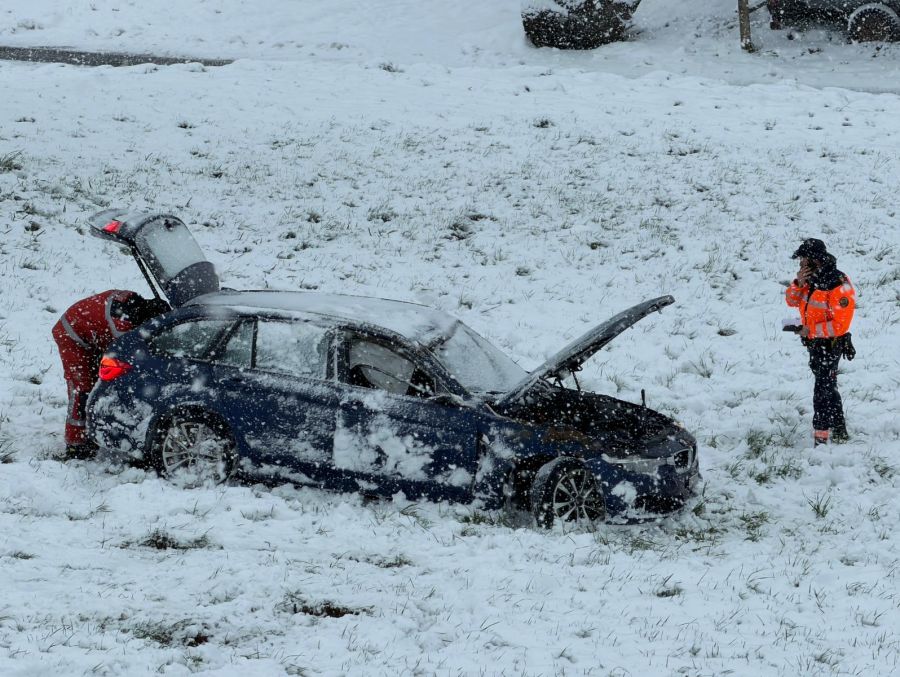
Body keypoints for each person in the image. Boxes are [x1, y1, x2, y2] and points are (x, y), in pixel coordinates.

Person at [52, 290, 168, 459]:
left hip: (93, 331)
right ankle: (76, 444)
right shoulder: (122, 326)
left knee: (99, 384)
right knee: (82, 388)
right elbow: (124, 358)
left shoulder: (135, 305)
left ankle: (92, 429)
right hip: (71, 335)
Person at [785, 239, 856, 446]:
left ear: (815, 260)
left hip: (831, 345)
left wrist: (811, 331)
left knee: (822, 389)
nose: (800, 263)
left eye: (803, 259)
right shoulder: (809, 278)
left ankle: (821, 435)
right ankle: (839, 427)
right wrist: (798, 283)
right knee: (828, 386)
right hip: (814, 344)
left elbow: (840, 325)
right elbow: (791, 301)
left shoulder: (838, 283)